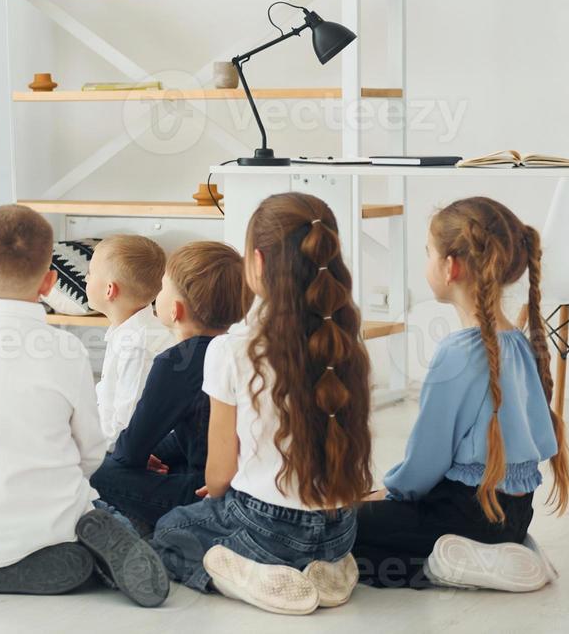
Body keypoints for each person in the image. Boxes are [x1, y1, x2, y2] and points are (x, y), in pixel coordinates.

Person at [0, 205, 170, 607]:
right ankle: (98, 542)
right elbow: (89, 454)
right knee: (91, 503)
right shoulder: (66, 351)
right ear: (50, 281)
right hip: (51, 524)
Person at [152, 193, 373, 615]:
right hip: (341, 527)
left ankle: (254, 574)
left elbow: (220, 474)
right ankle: (327, 564)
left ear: (257, 261)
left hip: (267, 526)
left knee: (170, 530)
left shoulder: (232, 348)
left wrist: (216, 497)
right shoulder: (345, 338)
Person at [352, 197, 569, 591]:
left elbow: (425, 461)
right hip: (517, 513)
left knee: (334, 527)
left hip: (463, 513)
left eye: (427, 254)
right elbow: (540, 440)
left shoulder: (457, 353)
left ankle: (453, 563)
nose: (425, 264)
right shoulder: (520, 343)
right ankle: (508, 552)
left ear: (450, 267)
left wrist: (389, 493)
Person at [90, 241, 249, 532]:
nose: (156, 295)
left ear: (175, 310)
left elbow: (130, 450)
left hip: (204, 494)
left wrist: (133, 455)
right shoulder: (238, 349)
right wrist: (154, 454)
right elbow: (191, 434)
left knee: (94, 468)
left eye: (161, 289)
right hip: (234, 480)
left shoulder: (177, 362)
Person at [87, 235, 174, 442]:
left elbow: (127, 425)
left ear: (110, 290)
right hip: (114, 442)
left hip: (129, 450)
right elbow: (106, 400)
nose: (85, 278)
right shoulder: (125, 332)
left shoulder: (138, 345)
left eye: (90, 273)